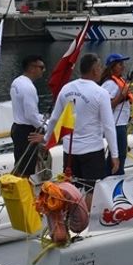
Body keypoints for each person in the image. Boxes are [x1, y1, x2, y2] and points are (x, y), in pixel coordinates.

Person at [48, 53, 119, 213]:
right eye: (100, 67)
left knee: (72, 186)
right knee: (91, 188)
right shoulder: (100, 93)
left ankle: (70, 218)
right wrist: (115, 155)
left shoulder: (66, 89)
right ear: (94, 71)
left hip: (70, 150)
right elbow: (108, 126)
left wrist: (46, 141)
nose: (102, 70)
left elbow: (54, 119)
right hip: (91, 150)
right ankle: (84, 223)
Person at [9, 55, 47, 177]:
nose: (44, 70)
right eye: (41, 67)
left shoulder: (17, 82)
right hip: (27, 132)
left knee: (20, 164)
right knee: (26, 169)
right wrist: (46, 129)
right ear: (32, 68)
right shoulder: (29, 87)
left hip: (17, 127)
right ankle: (24, 193)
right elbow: (30, 115)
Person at [100, 53, 133, 176]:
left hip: (122, 123)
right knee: (119, 155)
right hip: (116, 125)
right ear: (112, 67)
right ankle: (114, 178)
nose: (123, 67)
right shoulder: (109, 84)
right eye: (120, 64)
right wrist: (122, 95)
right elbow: (108, 106)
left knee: (120, 154)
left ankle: (109, 177)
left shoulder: (119, 81)